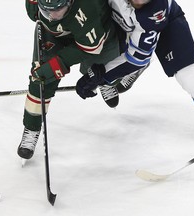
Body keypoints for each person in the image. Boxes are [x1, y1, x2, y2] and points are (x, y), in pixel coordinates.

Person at [75, 0, 194, 152]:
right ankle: (114, 77)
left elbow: (137, 58)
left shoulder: (155, 10)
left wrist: (102, 77)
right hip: (116, 24)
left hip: (163, 24)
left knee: (192, 77)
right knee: (98, 46)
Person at [17, 0, 122, 160]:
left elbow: (91, 47)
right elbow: (35, 14)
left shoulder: (89, 7)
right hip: (54, 34)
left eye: (57, 9)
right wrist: (48, 68)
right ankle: (32, 127)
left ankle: (105, 82)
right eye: (47, 10)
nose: (52, 15)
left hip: (97, 31)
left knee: (106, 66)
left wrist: (57, 65)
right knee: (40, 78)